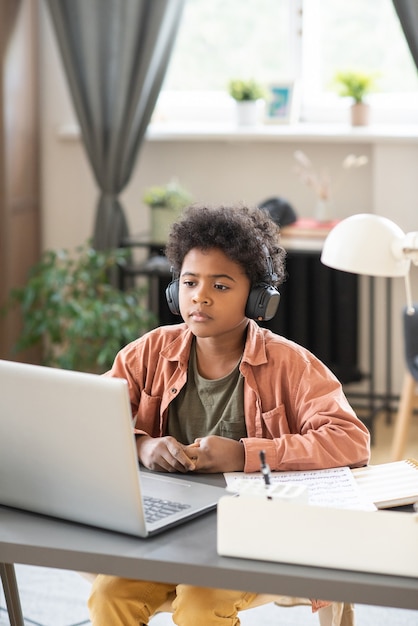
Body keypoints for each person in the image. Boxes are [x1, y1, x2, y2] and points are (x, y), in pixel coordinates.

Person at [88, 203, 370, 626]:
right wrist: (142, 446)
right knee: (108, 593)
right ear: (174, 291)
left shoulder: (290, 364)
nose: (200, 296)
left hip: (258, 532)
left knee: (200, 603)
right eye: (189, 282)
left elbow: (350, 440)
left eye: (220, 286)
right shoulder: (147, 352)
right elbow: (89, 425)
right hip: (170, 527)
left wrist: (244, 456)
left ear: (258, 298)